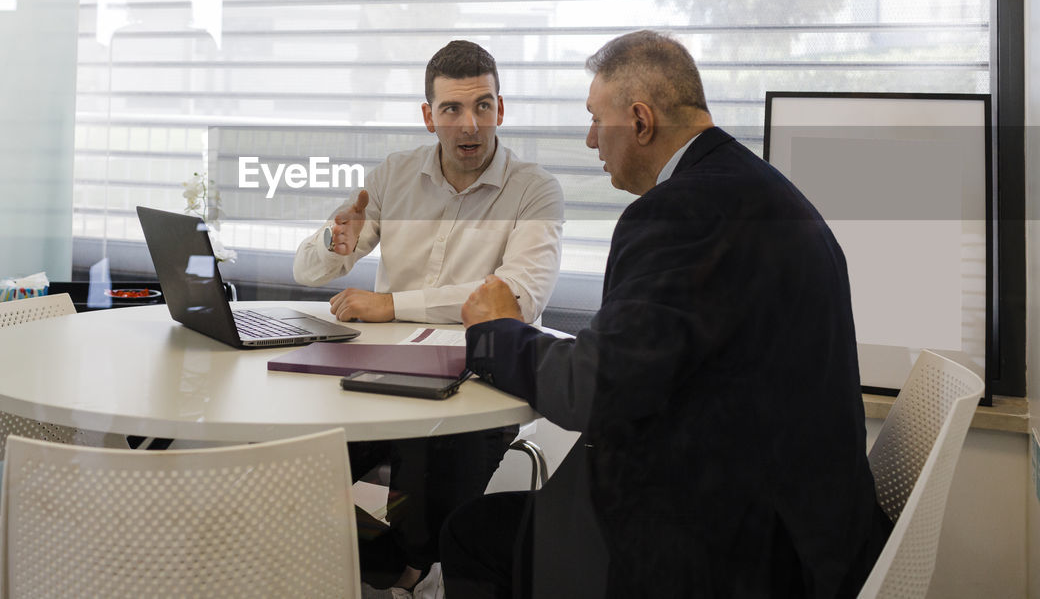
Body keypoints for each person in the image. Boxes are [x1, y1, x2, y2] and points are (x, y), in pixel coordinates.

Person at [440, 30, 892, 598]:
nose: (588, 140)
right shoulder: (750, 188)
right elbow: (646, 360)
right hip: (802, 527)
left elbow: (593, 391)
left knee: (470, 535)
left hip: (739, 555)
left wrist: (494, 331)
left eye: (595, 120)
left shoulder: (680, 213)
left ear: (640, 121)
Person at [293, 39, 564, 594]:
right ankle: (373, 566)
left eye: (483, 106)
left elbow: (519, 299)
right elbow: (308, 270)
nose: (470, 125)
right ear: (428, 116)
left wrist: (393, 304)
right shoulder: (393, 176)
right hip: (380, 373)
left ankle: (412, 571)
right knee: (298, 465)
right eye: (452, 109)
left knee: (427, 489)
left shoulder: (534, 190)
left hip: (477, 379)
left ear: (500, 109)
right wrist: (332, 238)